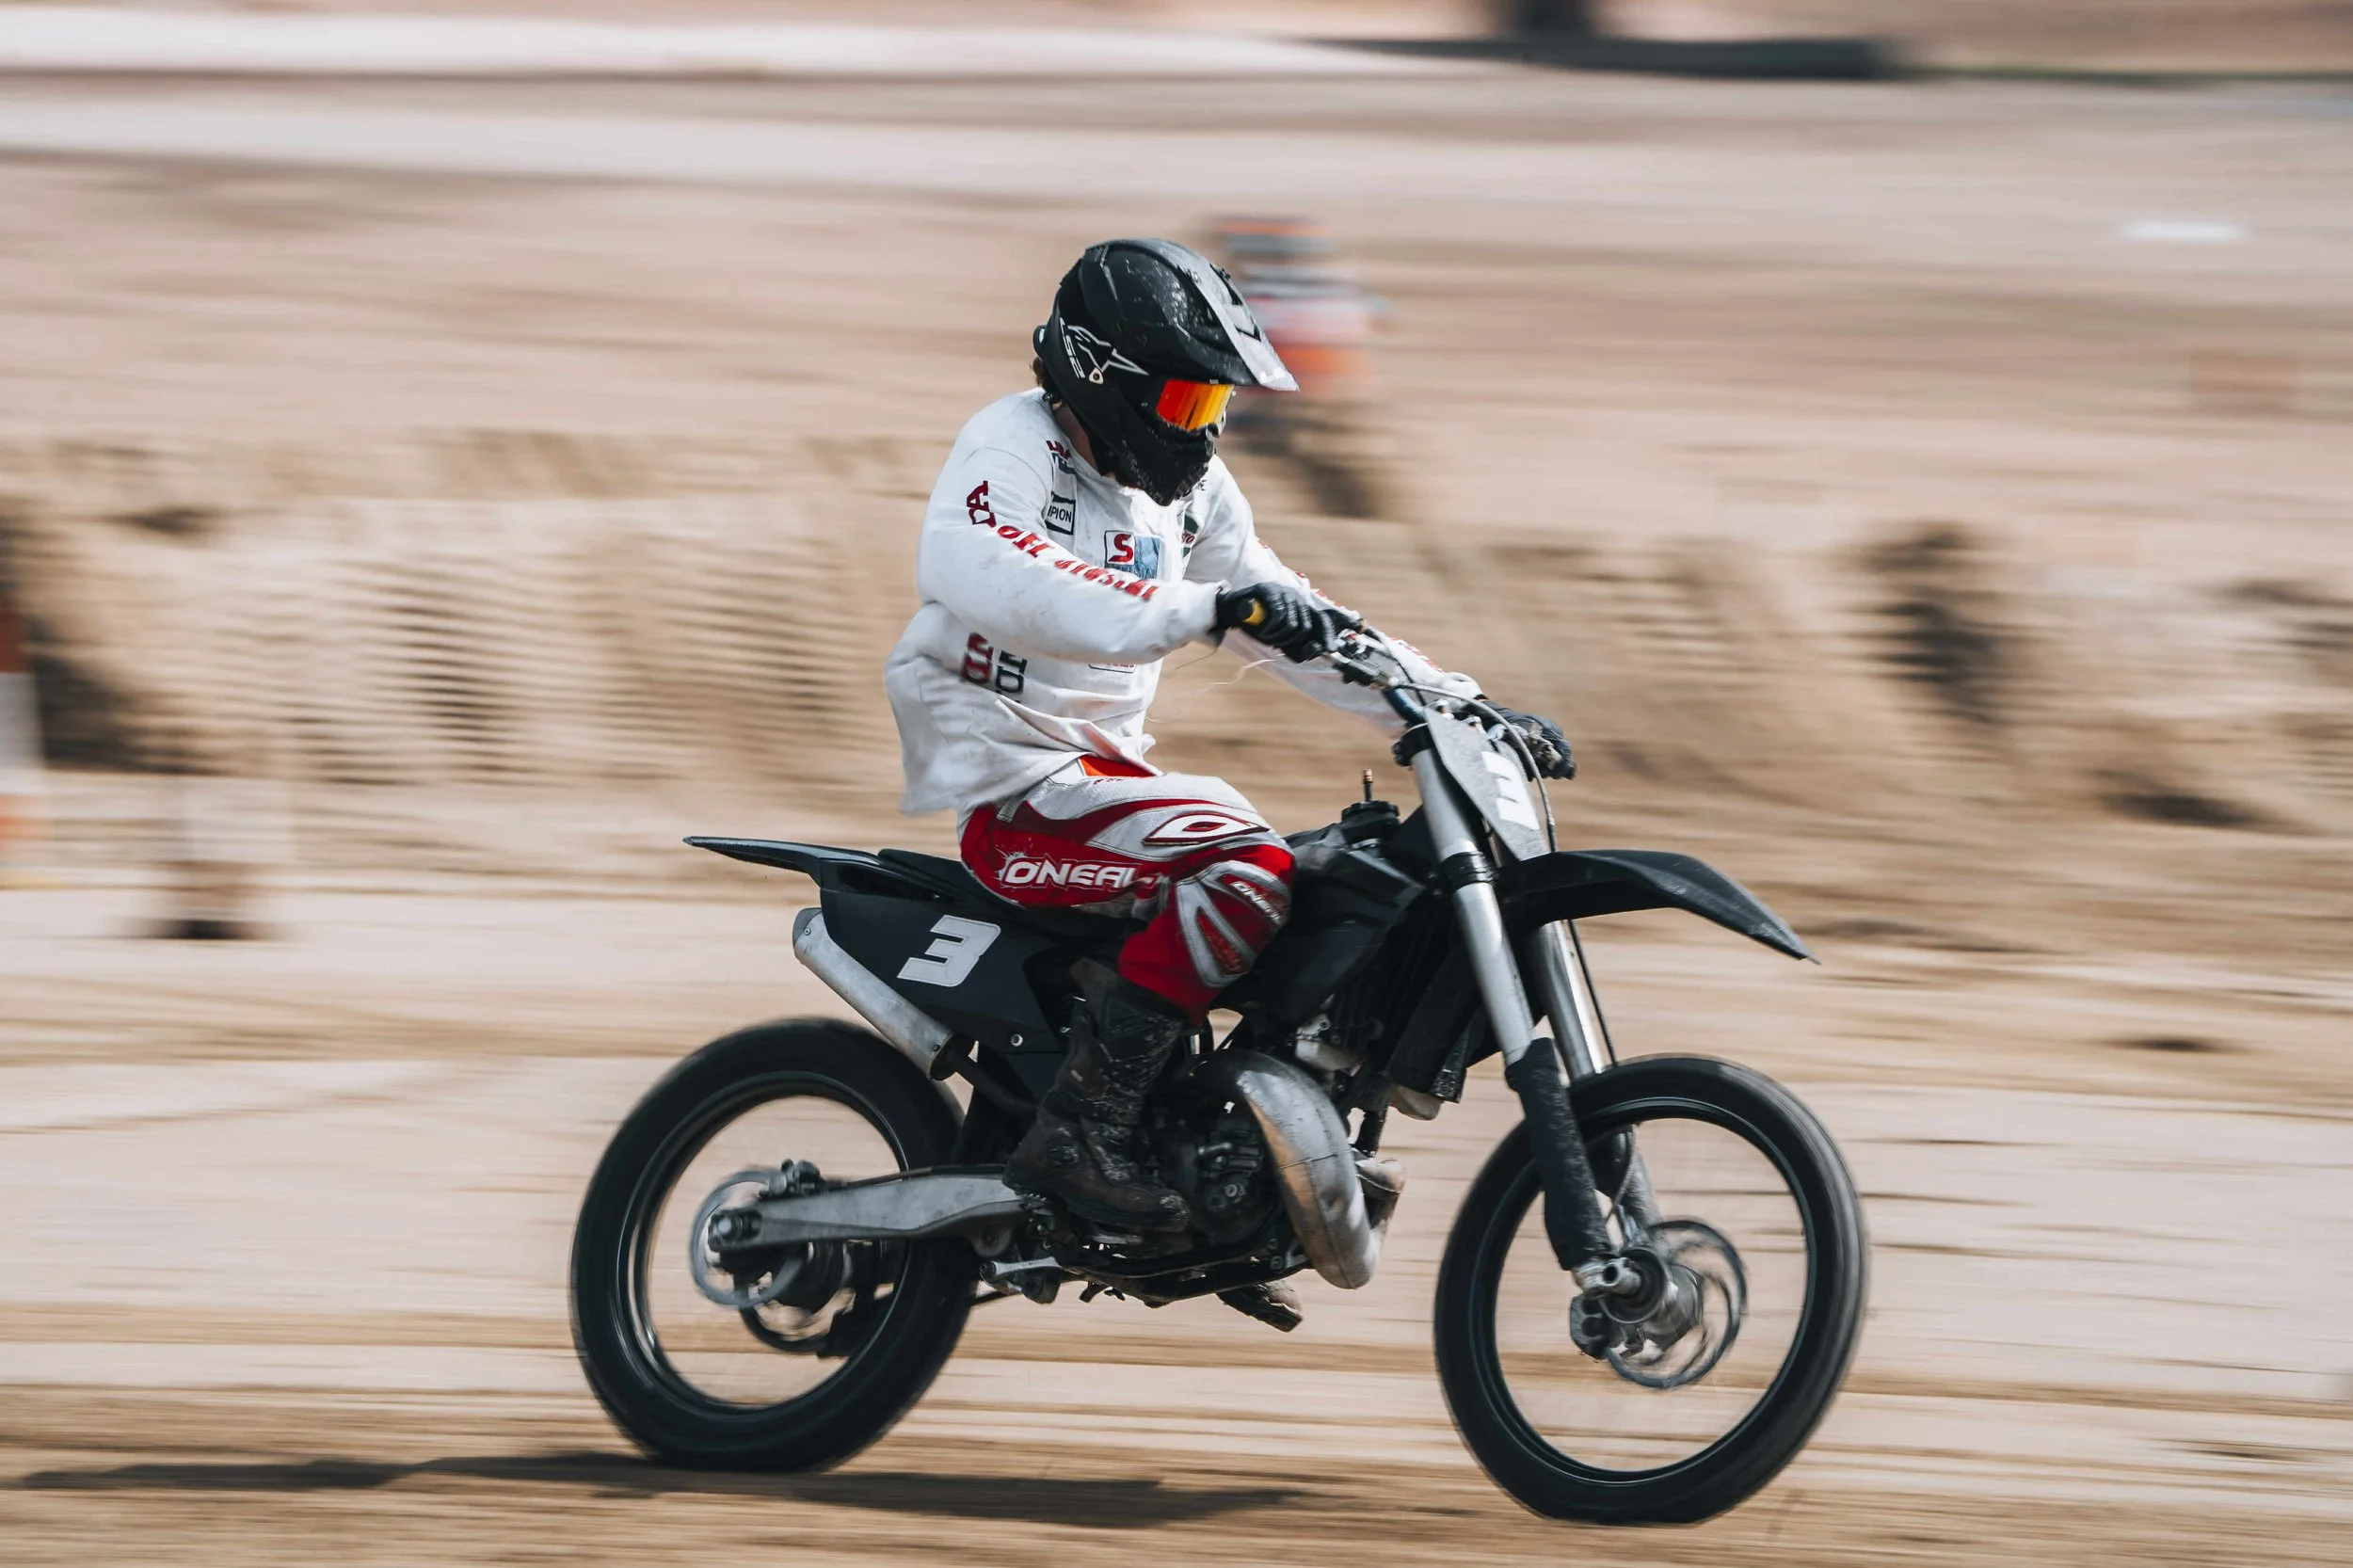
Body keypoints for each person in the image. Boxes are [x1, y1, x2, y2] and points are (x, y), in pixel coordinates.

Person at [886, 238, 1571, 1243]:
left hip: (1100, 782)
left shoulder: (1188, 494)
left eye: (1216, 407)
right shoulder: (1012, 446)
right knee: (1246, 864)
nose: (1201, 434)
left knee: (1336, 873)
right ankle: (1085, 1126)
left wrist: (1453, 706)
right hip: (1015, 788)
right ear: (1103, 372)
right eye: (1184, 404)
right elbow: (987, 572)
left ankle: (1250, 1129)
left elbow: (1292, 615)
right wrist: (1198, 608)